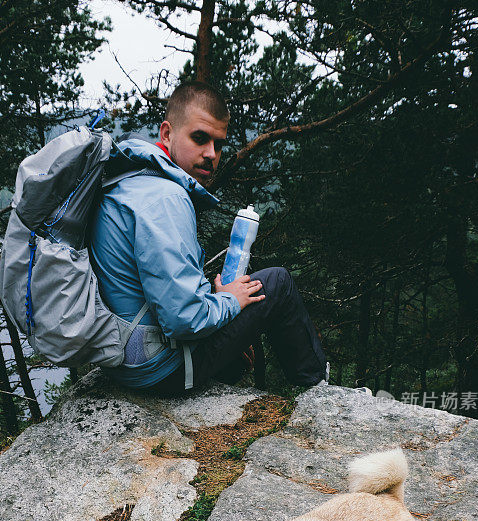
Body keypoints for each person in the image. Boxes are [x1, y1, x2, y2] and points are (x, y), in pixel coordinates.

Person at [90, 81, 328, 396]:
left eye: (218, 144)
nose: (211, 155)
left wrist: (216, 299)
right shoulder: (166, 199)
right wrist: (229, 301)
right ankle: (321, 392)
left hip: (126, 359)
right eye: (199, 138)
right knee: (277, 283)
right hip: (160, 370)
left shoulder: (127, 179)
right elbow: (182, 320)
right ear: (166, 133)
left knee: (237, 335)